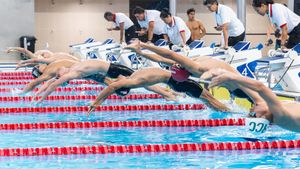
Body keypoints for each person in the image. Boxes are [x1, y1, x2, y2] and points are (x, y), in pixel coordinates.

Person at [125, 40, 269, 114]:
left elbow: (169, 54)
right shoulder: (190, 64)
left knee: (265, 112)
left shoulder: (196, 68)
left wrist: (144, 44)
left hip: (244, 89)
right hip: (238, 86)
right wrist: (141, 52)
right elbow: (162, 59)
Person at [87, 65, 230, 115]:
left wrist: (97, 102)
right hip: (178, 82)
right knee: (209, 99)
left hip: (176, 82)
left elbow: (113, 85)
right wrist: (97, 102)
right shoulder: (135, 79)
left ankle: (226, 111)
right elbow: (112, 86)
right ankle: (230, 112)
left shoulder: (134, 78)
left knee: (207, 100)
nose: (116, 81)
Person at [34, 60, 178, 103]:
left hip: (115, 69)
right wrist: (39, 93)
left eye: (59, 73)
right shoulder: (72, 70)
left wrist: (41, 99)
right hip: (113, 70)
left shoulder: (71, 71)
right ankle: (167, 93)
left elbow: (53, 83)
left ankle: (168, 94)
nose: (59, 71)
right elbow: (52, 82)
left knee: (143, 82)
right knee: (142, 83)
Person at [208, 69, 300, 133]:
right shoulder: (280, 115)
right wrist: (232, 77)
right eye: (252, 114)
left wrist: (224, 74)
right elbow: (261, 87)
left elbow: (249, 90)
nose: (250, 110)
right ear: (262, 117)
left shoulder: (266, 109)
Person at [6, 47, 79, 60]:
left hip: (57, 57)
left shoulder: (35, 57)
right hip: (58, 56)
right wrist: (12, 50)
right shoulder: (37, 56)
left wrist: (12, 49)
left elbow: (24, 50)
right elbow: (24, 51)